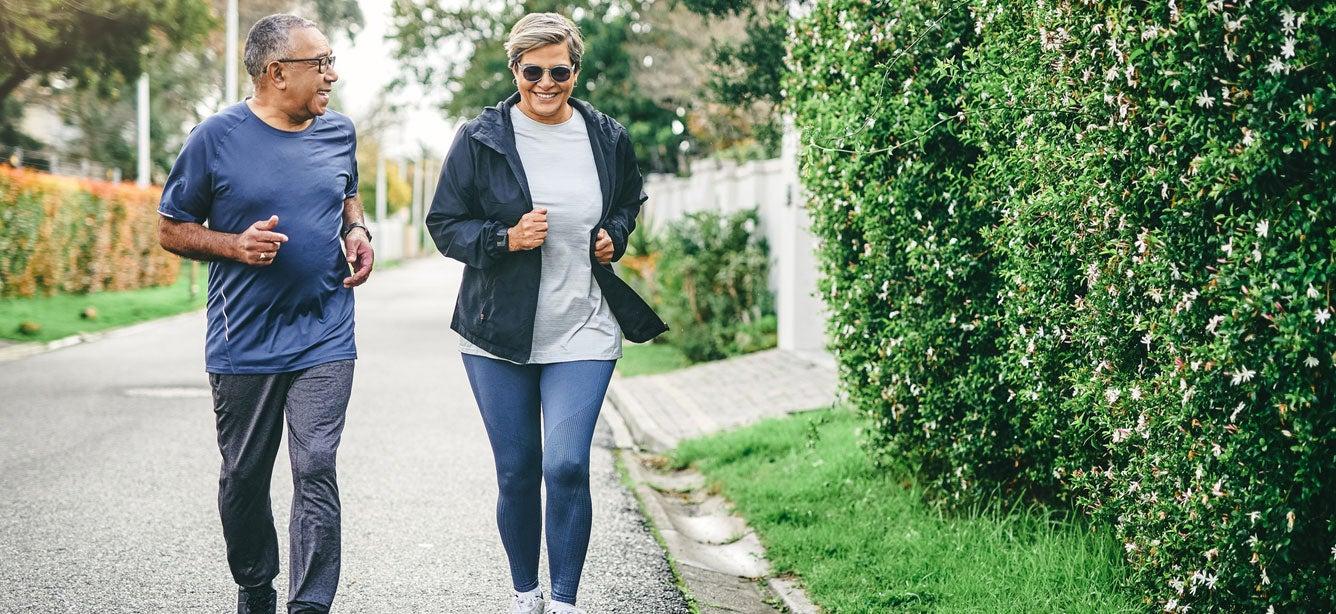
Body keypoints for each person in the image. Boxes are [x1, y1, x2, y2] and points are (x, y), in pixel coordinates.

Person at [425, 12, 668, 614]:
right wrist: (504, 239)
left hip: (583, 324)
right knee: (517, 471)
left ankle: (564, 602)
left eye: (559, 71)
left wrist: (613, 233)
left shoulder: (606, 136)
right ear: (515, 70)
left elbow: (625, 201)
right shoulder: (481, 138)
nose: (545, 83)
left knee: (564, 464)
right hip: (496, 331)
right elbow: (444, 224)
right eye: (532, 71)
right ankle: (525, 594)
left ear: (575, 70)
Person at [156, 13, 372, 614]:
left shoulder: (338, 132)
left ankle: (310, 605)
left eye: (331, 61)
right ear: (277, 73)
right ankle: (255, 584)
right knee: (244, 477)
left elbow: (346, 190)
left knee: (316, 465)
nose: (332, 74)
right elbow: (171, 229)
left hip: (326, 327)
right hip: (243, 338)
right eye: (320, 63)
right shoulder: (215, 138)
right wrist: (234, 246)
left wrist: (357, 229)